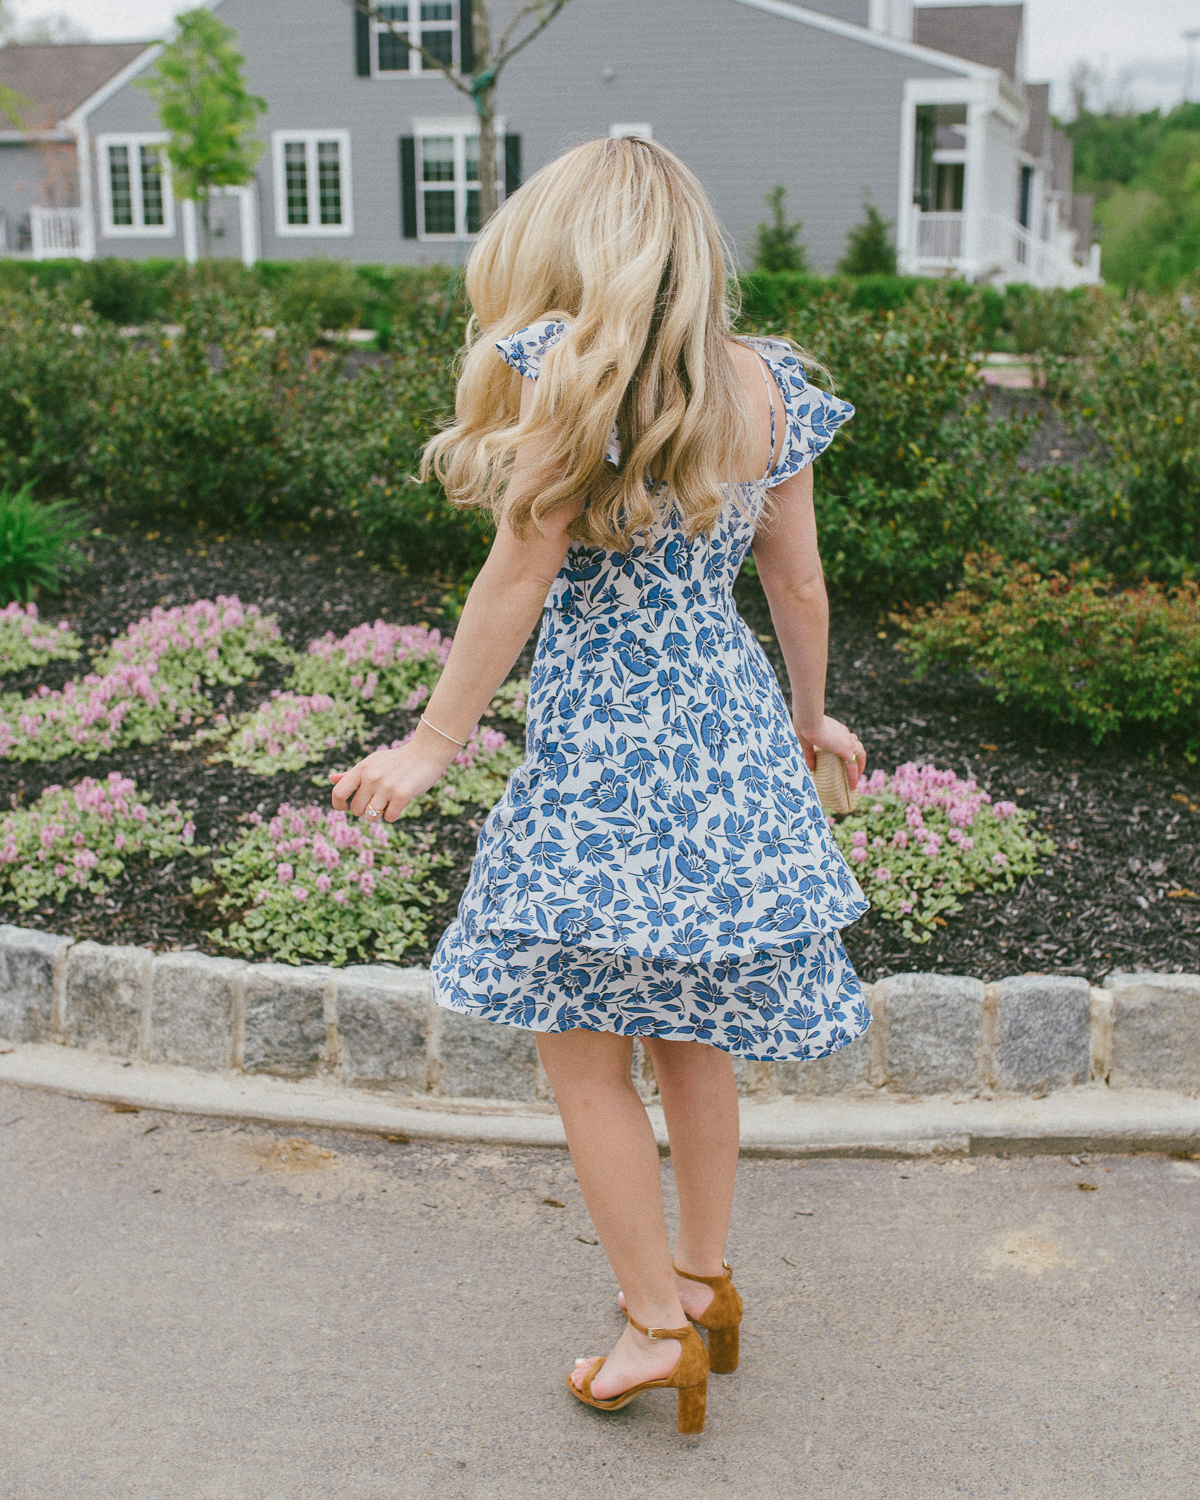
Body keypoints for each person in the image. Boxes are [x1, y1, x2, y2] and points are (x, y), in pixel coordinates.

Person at [331, 137, 869, 1435]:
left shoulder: (575, 381)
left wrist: (433, 742)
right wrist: (808, 724)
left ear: (575, 246)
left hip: (606, 765)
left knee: (583, 1058)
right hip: (728, 739)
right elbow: (794, 586)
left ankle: (652, 1331)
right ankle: (704, 1281)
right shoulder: (769, 386)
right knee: (694, 1037)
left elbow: (514, 580)